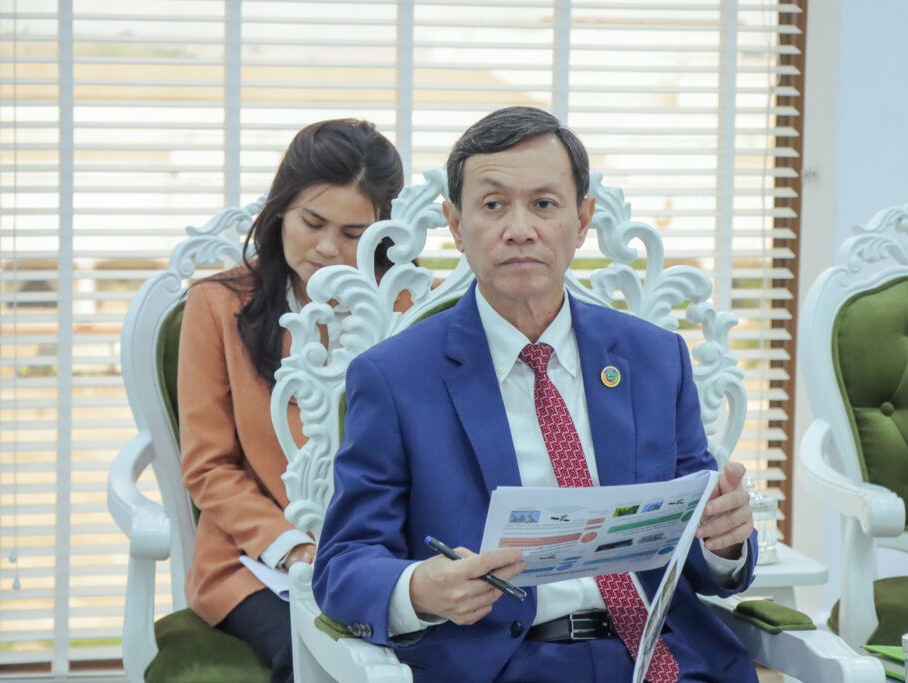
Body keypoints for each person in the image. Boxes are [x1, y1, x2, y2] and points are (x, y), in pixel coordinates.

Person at [313, 106, 759, 683]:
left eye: (544, 204)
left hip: (666, 659)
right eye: (493, 205)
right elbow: (344, 564)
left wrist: (724, 543)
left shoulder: (654, 358)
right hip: (504, 665)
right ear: (456, 224)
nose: (519, 228)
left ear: (583, 219)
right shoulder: (395, 378)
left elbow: (693, 548)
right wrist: (420, 588)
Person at [177, 118, 406, 683]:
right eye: (313, 222)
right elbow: (208, 467)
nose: (327, 247)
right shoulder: (217, 305)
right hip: (254, 560)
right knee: (310, 655)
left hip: (382, 551)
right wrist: (294, 547)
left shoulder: (407, 305)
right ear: (282, 209)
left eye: (353, 233)